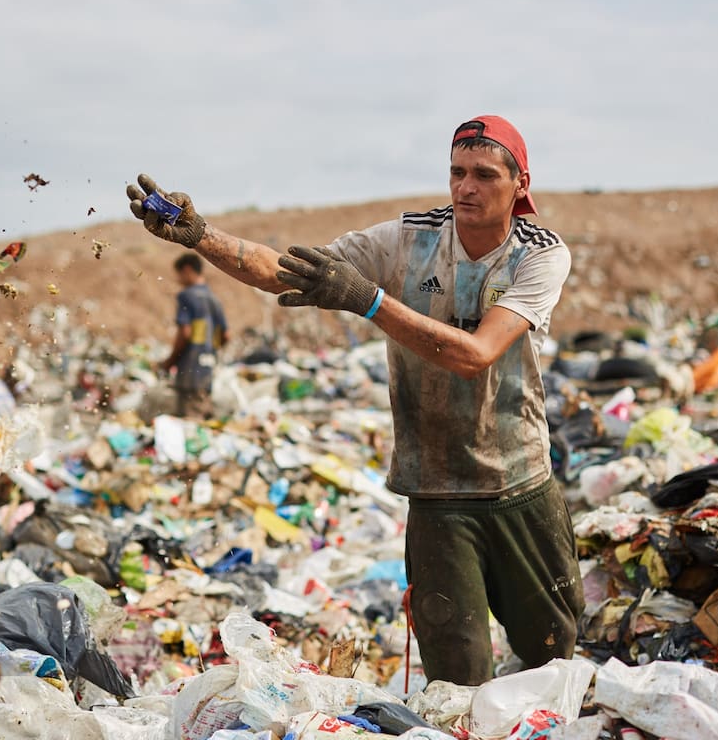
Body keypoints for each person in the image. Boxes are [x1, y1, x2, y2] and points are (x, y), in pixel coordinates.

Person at [127, 115, 584, 685]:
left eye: (485, 175)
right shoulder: (409, 240)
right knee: (457, 682)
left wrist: (368, 300)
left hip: (520, 484)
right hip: (437, 493)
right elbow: (286, 271)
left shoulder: (538, 254)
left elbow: (475, 355)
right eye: (457, 172)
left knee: (551, 657)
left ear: (520, 184)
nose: (466, 187)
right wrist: (200, 235)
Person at [162, 252, 227, 418]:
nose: (178, 280)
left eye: (179, 274)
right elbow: (226, 335)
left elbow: (185, 333)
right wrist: (209, 350)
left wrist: (170, 362)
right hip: (207, 370)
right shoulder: (215, 300)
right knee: (201, 418)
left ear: (187, 270)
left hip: (189, 371)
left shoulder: (186, 296)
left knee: (189, 421)